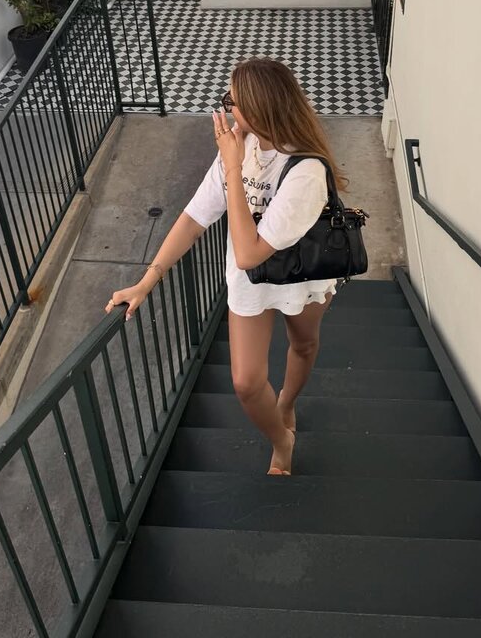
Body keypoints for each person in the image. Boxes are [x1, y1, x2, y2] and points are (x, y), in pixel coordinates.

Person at [105, 57, 348, 476]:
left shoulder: (305, 171)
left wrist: (233, 167)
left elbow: (249, 251)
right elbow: (195, 217)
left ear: (257, 108)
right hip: (252, 282)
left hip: (302, 274)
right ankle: (282, 440)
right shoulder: (242, 146)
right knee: (247, 383)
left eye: (230, 101)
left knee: (303, 344)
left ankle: (287, 403)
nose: (225, 108)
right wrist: (148, 280)